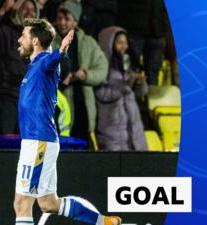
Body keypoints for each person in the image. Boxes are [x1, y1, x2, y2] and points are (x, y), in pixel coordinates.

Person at [14, 18, 121, 225]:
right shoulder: (35, 65)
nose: (19, 39)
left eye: (24, 35)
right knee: (48, 204)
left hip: (38, 142)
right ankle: (105, 223)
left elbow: (53, 60)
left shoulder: (45, 61)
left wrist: (61, 51)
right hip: (37, 141)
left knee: (21, 203)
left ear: (35, 41)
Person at [52, 0, 108, 146]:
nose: (62, 22)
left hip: (82, 109)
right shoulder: (49, 42)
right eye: (59, 18)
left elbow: (102, 68)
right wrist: (62, 77)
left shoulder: (88, 42)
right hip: (57, 108)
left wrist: (86, 75)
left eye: (67, 19)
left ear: (75, 22)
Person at [0, 0, 39, 136]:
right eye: (25, 8)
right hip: (4, 96)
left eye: (33, 10)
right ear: (16, 12)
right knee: (4, 146)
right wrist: (2, 11)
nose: (30, 12)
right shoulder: (5, 32)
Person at [95, 26, 148, 151]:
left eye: (126, 42)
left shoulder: (130, 64)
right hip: (112, 135)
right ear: (109, 44)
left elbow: (142, 93)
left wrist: (140, 83)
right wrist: (125, 86)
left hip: (135, 134)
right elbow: (101, 94)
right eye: (119, 43)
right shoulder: (102, 68)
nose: (124, 46)